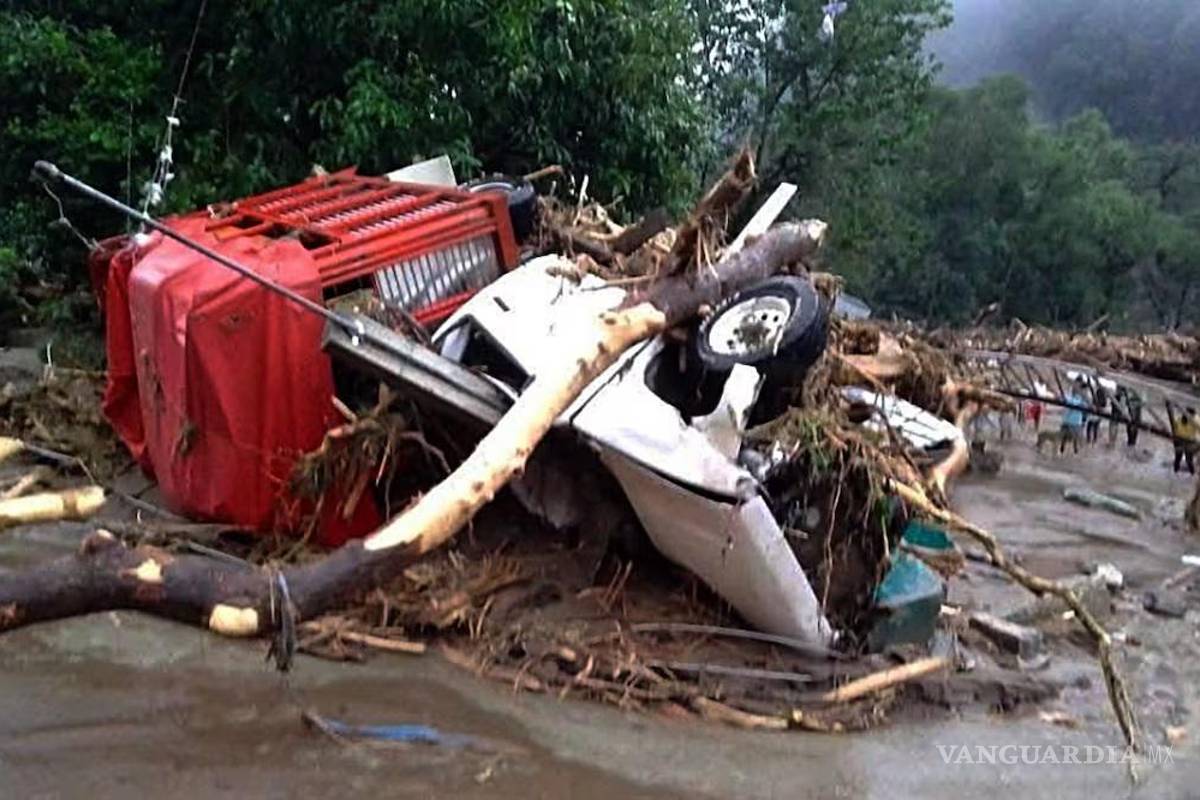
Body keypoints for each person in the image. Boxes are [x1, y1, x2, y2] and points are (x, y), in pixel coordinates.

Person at [1060, 381, 1087, 455]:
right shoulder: (1077, 399)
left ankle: (1068, 451)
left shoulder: (1078, 398)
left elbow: (1084, 406)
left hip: (1070, 420)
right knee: (1069, 438)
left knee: (1068, 438)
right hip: (1072, 421)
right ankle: (1072, 452)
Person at [1173, 407, 1198, 475]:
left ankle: (1192, 474)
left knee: (1189, 460)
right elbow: (1174, 428)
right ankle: (1175, 473)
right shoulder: (1179, 419)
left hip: (1190, 442)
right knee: (1178, 457)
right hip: (1179, 440)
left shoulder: (1195, 421)